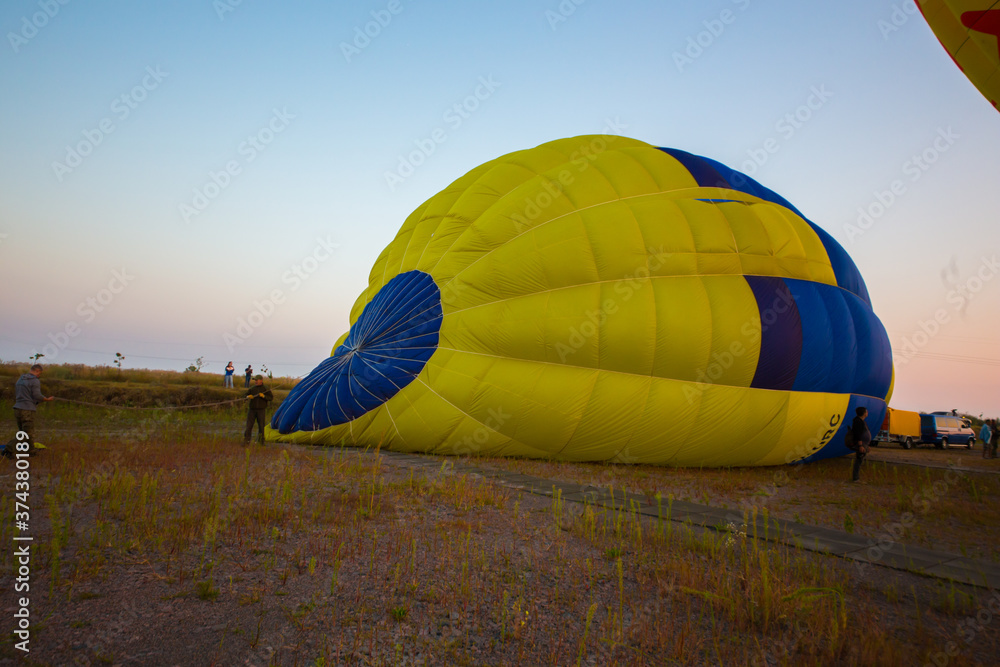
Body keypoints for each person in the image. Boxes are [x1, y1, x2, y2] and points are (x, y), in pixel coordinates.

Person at [3, 364, 55, 458]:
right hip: (27, 410)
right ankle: (8, 450)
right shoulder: (35, 381)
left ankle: (31, 451)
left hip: (17, 408)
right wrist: (46, 399)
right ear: (37, 371)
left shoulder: (20, 379)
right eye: (40, 373)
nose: (39, 375)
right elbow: (37, 396)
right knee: (26, 433)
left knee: (25, 432)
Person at [244, 375, 273, 446]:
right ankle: (246, 441)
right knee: (249, 426)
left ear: (261, 380)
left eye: (257, 380)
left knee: (261, 426)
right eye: (255, 380)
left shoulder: (265, 388)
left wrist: (264, 396)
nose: (256, 381)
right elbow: (244, 396)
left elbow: (270, 398)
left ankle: (261, 442)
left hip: (261, 410)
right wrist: (248, 396)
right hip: (252, 410)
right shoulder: (252, 388)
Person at [848, 406, 872, 483]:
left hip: (864, 444)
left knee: (860, 460)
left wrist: (867, 445)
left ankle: (856, 477)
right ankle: (855, 478)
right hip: (861, 444)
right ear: (864, 413)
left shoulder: (861, 421)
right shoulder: (858, 422)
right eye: (866, 411)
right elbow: (858, 435)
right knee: (859, 460)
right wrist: (860, 445)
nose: (867, 413)